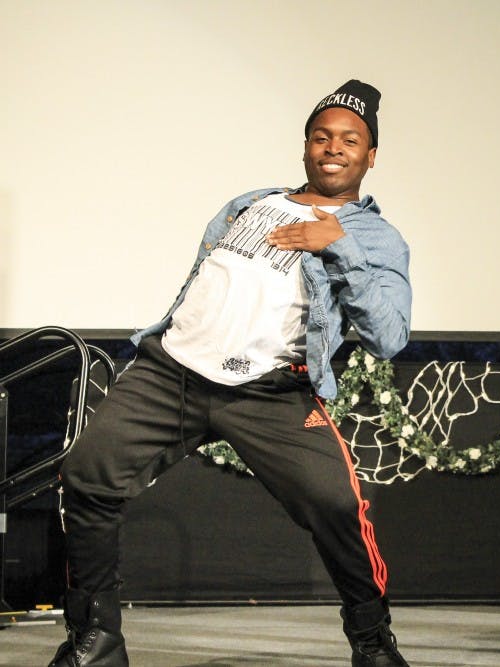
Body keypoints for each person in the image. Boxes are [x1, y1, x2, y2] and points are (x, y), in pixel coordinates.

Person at [49, 79, 411, 667]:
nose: (333, 148)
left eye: (350, 140)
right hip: (173, 371)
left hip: (270, 392)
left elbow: (389, 337)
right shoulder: (249, 202)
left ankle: (373, 645)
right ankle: (97, 639)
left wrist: (339, 245)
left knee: (338, 505)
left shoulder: (376, 237)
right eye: (322, 136)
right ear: (305, 147)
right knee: (88, 474)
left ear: (370, 157)